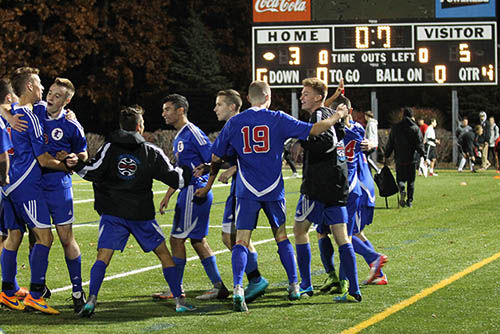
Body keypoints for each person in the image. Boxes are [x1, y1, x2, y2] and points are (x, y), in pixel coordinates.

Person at [194, 80, 349, 312]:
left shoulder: (235, 122)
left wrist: (208, 185)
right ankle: (294, 285)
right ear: (268, 97)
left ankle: (238, 288)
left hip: (247, 189)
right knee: (282, 236)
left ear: (249, 99)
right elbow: (315, 130)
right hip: (273, 188)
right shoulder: (278, 118)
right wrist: (337, 116)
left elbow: (215, 158)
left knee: (241, 240)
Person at [66, 105, 195, 316]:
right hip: (141, 214)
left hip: (113, 212)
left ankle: (91, 300)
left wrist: (75, 163)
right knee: (164, 255)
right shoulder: (151, 151)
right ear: (139, 126)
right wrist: (190, 169)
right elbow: (176, 179)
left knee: (102, 257)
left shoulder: (109, 148)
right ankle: (180, 301)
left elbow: (91, 171)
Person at [0, 67, 76, 315]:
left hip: (7, 186)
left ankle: (8, 291)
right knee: (46, 238)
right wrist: (65, 165)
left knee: (14, 236)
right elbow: (43, 159)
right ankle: (35, 295)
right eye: (39, 83)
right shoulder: (30, 118)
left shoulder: (9, 112)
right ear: (30, 87)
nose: (42, 88)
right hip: (25, 186)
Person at [292, 80, 361, 303]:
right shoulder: (329, 113)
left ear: (316, 98)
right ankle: (354, 289)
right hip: (337, 185)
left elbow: (326, 143)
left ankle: (306, 284)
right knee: (342, 237)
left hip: (318, 186)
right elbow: (338, 136)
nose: (301, 97)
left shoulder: (319, 116)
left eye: (305, 94)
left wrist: (303, 141)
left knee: (300, 230)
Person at [159, 94, 229, 300]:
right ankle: (218, 286)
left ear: (181, 110)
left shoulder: (193, 133)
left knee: (177, 239)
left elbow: (213, 160)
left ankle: (176, 288)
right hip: (186, 190)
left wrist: (207, 187)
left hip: (194, 192)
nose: (164, 114)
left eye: (168, 109)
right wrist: (168, 195)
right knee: (197, 240)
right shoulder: (180, 135)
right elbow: (182, 170)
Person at [29, 77, 88, 312]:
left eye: (56, 95)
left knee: (66, 238)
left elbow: (82, 153)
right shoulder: (36, 112)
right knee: (37, 238)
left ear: (67, 100)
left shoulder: (72, 125)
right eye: (50, 93)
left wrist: (75, 159)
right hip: (34, 185)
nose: (50, 98)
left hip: (59, 186)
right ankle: (37, 290)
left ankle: (77, 290)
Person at [384, 107, 426, 208]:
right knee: (411, 181)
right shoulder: (415, 128)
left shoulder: (396, 128)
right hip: (412, 158)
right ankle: (409, 201)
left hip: (399, 158)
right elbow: (419, 144)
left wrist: (387, 154)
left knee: (400, 178)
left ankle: (402, 188)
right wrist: (423, 154)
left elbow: (391, 143)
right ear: (412, 116)